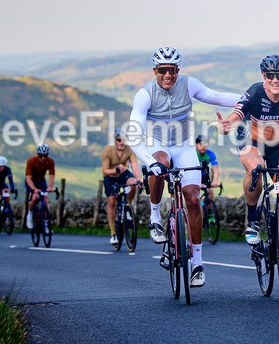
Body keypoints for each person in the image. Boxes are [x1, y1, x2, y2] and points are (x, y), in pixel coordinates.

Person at [127, 46, 240, 288]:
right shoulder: (144, 94)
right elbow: (134, 137)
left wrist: (249, 100)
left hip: (184, 146)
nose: (167, 75)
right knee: (161, 163)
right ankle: (155, 216)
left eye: (172, 70)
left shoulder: (189, 84)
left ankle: (197, 263)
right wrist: (150, 162)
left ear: (178, 70)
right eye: (162, 70)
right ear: (154, 71)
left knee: (192, 199)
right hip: (159, 146)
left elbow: (217, 97)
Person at [218, 54, 279, 277]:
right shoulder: (255, 91)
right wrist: (226, 124)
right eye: (270, 75)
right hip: (251, 141)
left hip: (278, 144)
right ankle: (252, 221)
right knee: (255, 169)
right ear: (264, 75)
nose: (275, 80)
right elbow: (236, 114)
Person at [102, 128, 142, 246]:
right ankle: (113, 233)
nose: (121, 143)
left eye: (123, 140)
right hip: (110, 176)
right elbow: (104, 171)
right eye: (119, 140)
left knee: (133, 182)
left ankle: (128, 207)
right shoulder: (107, 150)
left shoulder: (129, 149)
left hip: (123, 173)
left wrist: (139, 180)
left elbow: (134, 166)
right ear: (115, 140)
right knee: (111, 201)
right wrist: (115, 170)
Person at [25, 143, 56, 232]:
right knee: (34, 198)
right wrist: (34, 189)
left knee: (46, 199)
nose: (43, 158)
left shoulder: (50, 161)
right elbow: (28, 178)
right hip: (31, 181)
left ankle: (46, 224)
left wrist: (50, 187)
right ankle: (30, 214)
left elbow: (51, 176)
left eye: (45, 156)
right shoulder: (31, 161)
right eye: (41, 156)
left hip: (41, 181)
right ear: (37, 154)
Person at [195, 135, 221, 200]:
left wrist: (215, 181)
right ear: (196, 144)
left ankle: (208, 209)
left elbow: (215, 169)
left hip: (204, 177)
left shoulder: (210, 154)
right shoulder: (193, 154)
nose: (204, 146)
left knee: (210, 192)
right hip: (194, 176)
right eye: (201, 144)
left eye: (205, 144)